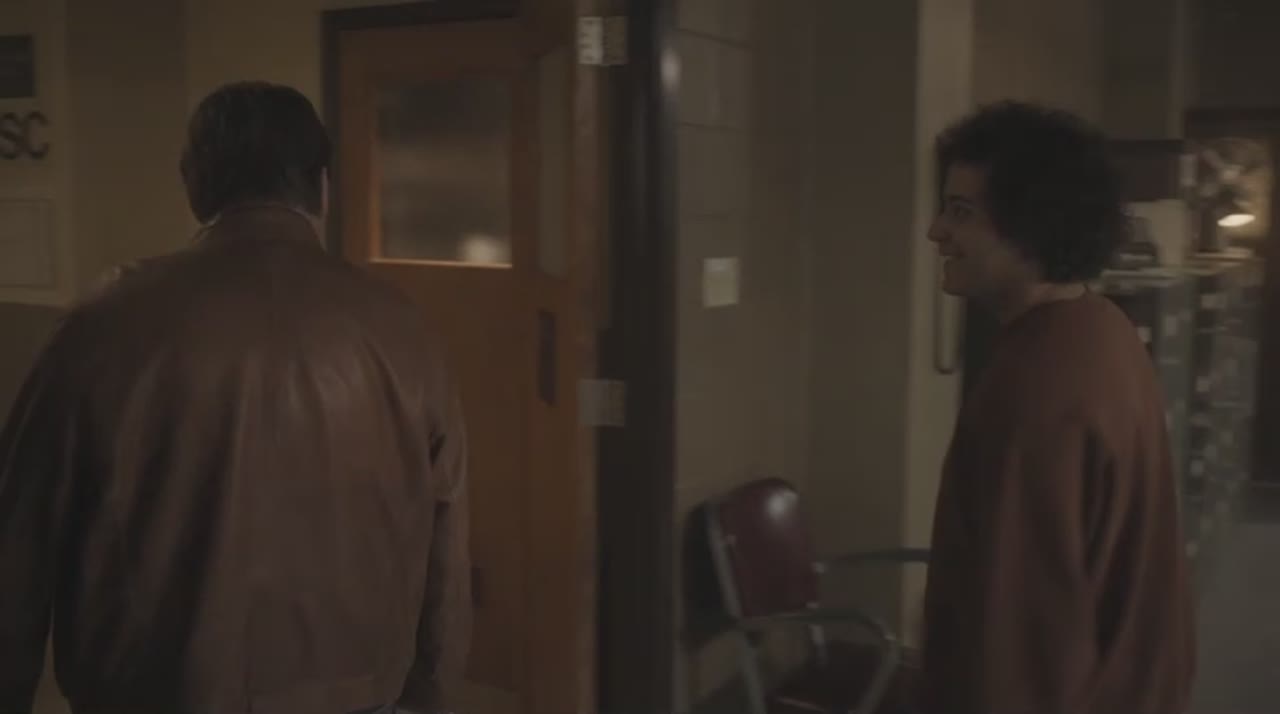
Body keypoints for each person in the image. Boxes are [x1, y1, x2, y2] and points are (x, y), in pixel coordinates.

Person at [0, 82, 470, 714]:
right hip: (353, 695)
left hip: (152, 694)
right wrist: (431, 693)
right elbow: (445, 541)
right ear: (322, 186)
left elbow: (20, 538)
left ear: (192, 184)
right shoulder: (405, 330)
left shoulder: (104, 324)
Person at [919, 101, 1196, 713]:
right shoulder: (1102, 328)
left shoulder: (1033, 395)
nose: (937, 231)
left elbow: (1025, 645)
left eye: (961, 212)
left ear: (1032, 226)